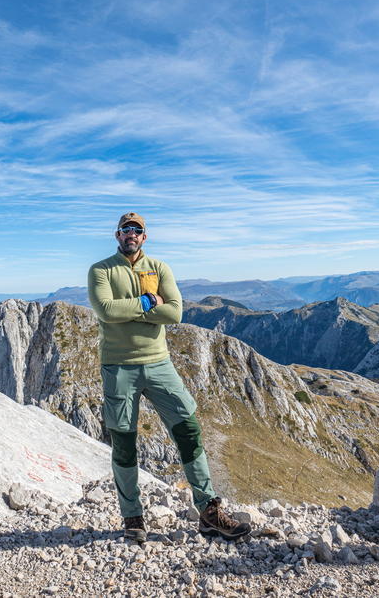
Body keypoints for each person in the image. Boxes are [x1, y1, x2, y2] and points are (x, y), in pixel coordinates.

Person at [87, 211, 251, 543]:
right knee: (124, 442)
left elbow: (174, 312)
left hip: (159, 363)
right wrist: (150, 301)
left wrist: (128, 310)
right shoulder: (101, 270)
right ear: (117, 235)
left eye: (137, 230)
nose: (131, 234)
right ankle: (132, 516)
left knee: (188, 429)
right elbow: (106, 310)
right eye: (125, 229)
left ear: (144, 237)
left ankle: (208, 512)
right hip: (118, 365)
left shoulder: (159, 268)